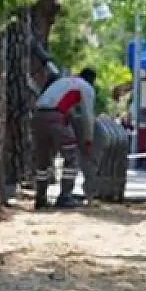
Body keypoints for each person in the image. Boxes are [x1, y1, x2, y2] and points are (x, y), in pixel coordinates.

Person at [32, 65, 98, 210]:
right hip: (56, 118)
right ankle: (65, 197)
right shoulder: (86, 88)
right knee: (71, 157)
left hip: (38, 117)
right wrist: (88, 139)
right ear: (92, 81)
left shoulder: (65, 82)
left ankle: (40, 198)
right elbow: (88, 116)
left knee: (43, 160)